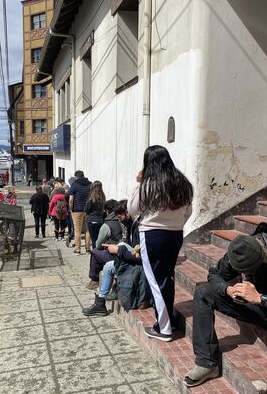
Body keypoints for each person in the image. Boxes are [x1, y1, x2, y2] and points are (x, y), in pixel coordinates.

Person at [184, 223, 267, 393]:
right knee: (203, 293)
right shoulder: (240, 249)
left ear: (262, 259)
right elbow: (215, 274)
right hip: (256, 308)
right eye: (241, 272)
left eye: (249, 272)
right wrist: (228, 289)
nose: (245, 276)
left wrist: (261, 298)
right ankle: (207, 363)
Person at [128, 145, 193, 342]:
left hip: (152, 235)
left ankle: (164, 328)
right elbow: (188, 211)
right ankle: (169, 321)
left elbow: (132, 209)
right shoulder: (182, 182)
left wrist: (138, 183)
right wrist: (176, 223)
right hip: (175, 234)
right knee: (166, 278)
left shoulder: (148, 184)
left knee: (156, 281)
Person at [82, 214, 152, 316]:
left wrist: (118, 250)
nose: (119, 219)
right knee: (111, 261)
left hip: (141, 263)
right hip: (132, 257)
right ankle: (101, 300)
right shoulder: (133, 225)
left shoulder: (142, 227)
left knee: (103, 258)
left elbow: (141, 257)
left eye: (120, 216)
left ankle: (101, 299)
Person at [86, 199, 120, 290]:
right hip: (125, 252)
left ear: (107, 211)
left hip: (114, 255)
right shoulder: (125, 220)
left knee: (95, 252)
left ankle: (95, 281)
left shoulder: (107, 224)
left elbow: (98, 244)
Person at [68, 170, 92, 254]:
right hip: (88, 210)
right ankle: (88, 249)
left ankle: (77, 248)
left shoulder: (74, 185)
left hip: (77, 210)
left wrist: (70, 209)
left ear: (76, 176)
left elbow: (71, 200)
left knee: (77, 230)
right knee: (87, 230)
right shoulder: (90, 184)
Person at [84, 181, 106, 250]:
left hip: (91, 220)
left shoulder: (91, 198)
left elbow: (86, 210)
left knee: (94, 240)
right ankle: (98, 253)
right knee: (99, 240)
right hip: (100, 220)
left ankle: (95, 253)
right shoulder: (103, 197)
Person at [65, 177, 76, 247]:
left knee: (73, 226)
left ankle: (70, 236)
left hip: (71, 209)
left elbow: (66, 196)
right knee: (75, 227)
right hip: (74, 209)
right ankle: (70, 236)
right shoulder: (73, 188)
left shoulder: (71, 189)